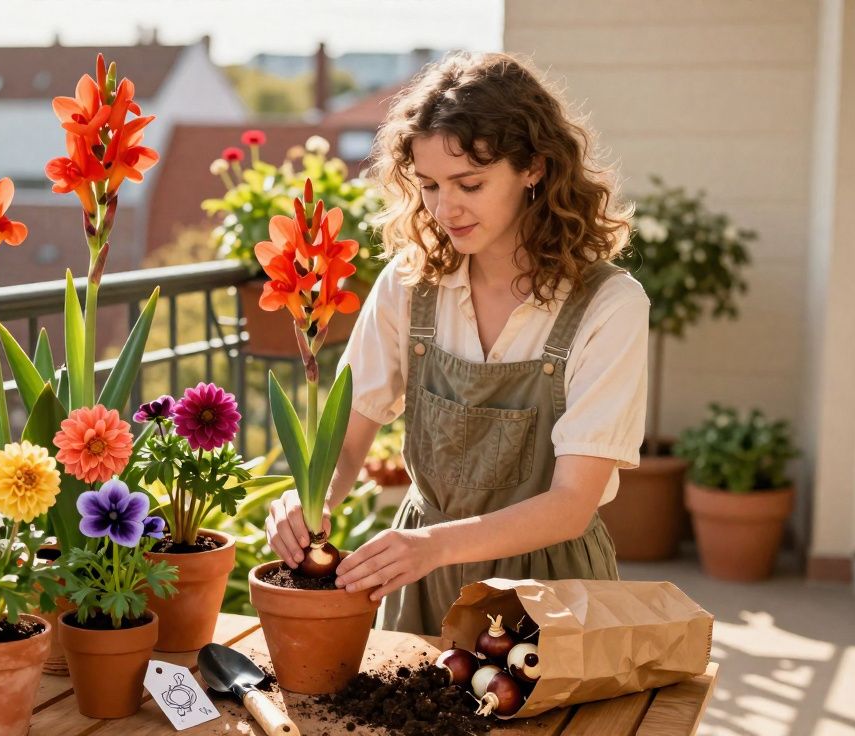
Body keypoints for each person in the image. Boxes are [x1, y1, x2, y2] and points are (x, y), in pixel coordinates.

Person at [264, 51, 649, 636]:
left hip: (551, 594)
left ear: (534, 169)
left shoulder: (610, 306)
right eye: (429, 186)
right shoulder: (407, 285)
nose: (445, 209)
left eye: (470, 183)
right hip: (425, 584)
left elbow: (573, 503)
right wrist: (305, 503)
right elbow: (344, 447)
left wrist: (432, 545)